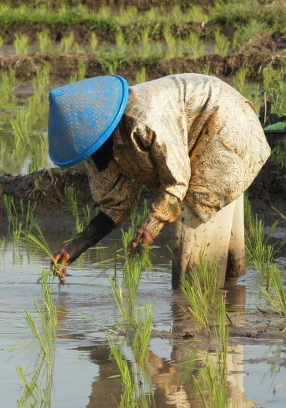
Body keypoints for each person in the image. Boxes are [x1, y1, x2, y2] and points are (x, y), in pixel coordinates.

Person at [49, 73, 270, 287]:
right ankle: (228, 304)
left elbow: (177, 181)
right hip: (197, 141)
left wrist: (151, 225)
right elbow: (115, 204)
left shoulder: (145, 119)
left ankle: (199, 311)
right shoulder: (95, 149)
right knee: (227, 281)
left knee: (193, 271)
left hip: (224, 123)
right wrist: (74, 248)